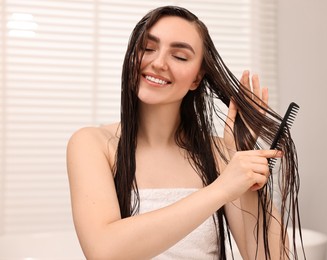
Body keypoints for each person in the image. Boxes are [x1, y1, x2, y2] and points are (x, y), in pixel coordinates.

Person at [67, 5, 301, 260]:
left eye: (179, 56)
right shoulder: (93, 144)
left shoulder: (220, 155)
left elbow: (272, 258)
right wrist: (222, 188)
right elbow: (104, 251)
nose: (158, 63)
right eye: (147, 48)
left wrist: (241, 160)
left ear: (196, 78)